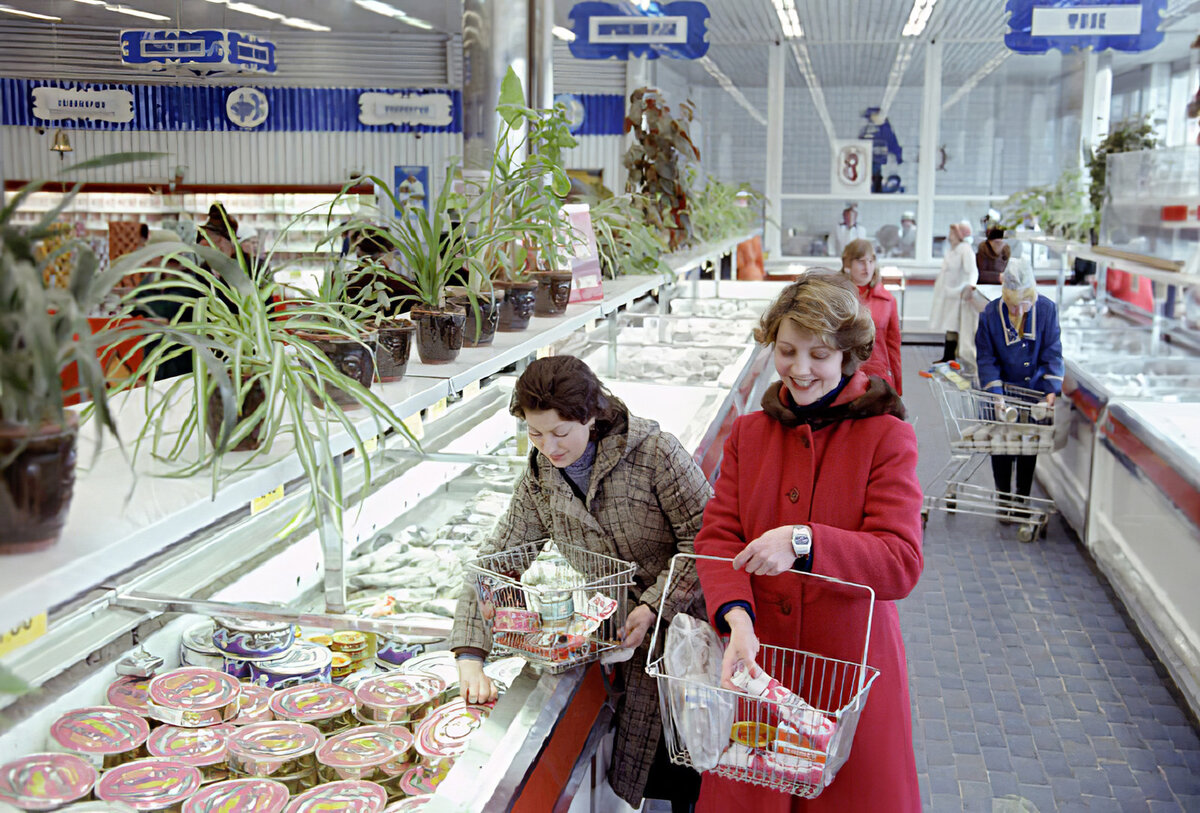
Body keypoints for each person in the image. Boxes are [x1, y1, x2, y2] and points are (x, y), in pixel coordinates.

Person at [693, 273, 923, 812]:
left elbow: (901, 561)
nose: (799, 369)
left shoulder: (887, 437)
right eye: (787, 350)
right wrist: (737, 621)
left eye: (819, 354)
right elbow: (718, 536)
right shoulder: (750, 434)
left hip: (850, 681)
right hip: (760, 675)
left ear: (850, 354)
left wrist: (803, 541)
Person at [450, 355, 712, 812]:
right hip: (612, 638)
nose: (548, 447)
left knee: (688, 769)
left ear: (590, 415)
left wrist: (652, 606)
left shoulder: (654, 453)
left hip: (684, 642)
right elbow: (499, 560)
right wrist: (471, 655)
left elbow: (707, 538)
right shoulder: (541, 477)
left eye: (560, 432)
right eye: (534, 432)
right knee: (644, 776)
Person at [975, 260, 1063, 518]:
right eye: (1014, 305)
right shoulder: (990, 315)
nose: (1019, 310)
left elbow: (1053, 352)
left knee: (1028, 447)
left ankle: (1022, 499)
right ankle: (1004, 500)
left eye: (1025, 304)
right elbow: (986, 358)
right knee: (1002, 446)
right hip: (1003, 390)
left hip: (1033, 393)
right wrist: (996, 395)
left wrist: (1051, 388)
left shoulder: (1047, 310)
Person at [841, 239, 902, 394]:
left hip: (877, 375)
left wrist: (897, 383)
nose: (867, 267)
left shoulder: (887, 300)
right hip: (843, 375)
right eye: (861, 262)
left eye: (871, 261)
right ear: (848, 264)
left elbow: (893, 346)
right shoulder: (837, 296)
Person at [930, 221, 979, 365]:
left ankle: (953, 358)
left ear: (960, 235)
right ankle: (948, 357)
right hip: (949, 295)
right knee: (950, 326)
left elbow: (972, 271)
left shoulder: (965, 250)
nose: (950, 236)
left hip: (959, 296)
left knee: (956, 328)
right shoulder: (952, 250)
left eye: (952, 233)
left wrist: (970, 286)